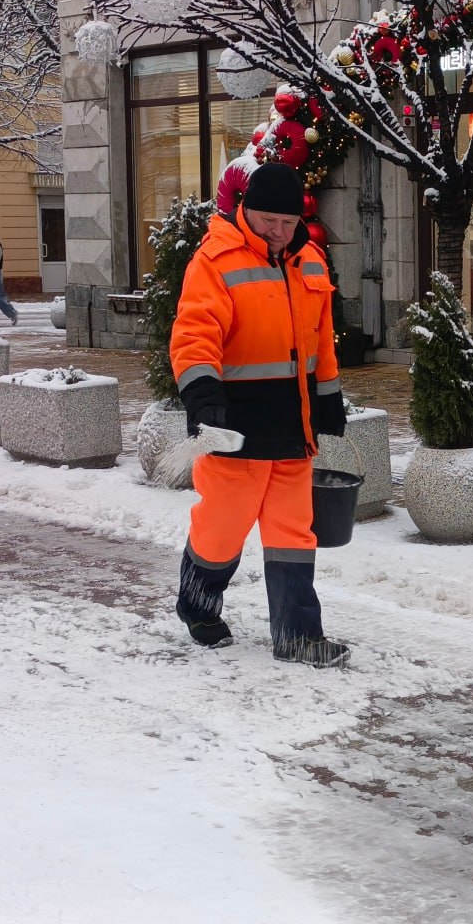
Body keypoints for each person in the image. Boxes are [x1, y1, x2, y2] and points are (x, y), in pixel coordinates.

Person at [169, 162, 349, 668]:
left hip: (293, 427)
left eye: (288, 223)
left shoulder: (311, 260)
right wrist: (203, 398)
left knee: (293, 534)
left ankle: (297, 635)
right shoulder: (216, 260)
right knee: (222, 529)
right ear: (246, 210)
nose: (279, 232)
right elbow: (194, 335)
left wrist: (329, 398)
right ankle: (198, 606)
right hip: (235, 428)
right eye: (270, 220)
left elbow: (322, 341)